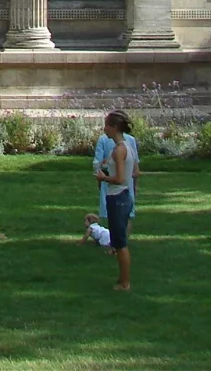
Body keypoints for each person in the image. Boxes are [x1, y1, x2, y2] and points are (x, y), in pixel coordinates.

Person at [94, 112, 134, 291]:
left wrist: (103, 177)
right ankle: (121, 278)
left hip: (118, 198)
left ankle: (125, 283)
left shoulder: (119, 149)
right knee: (118, 242)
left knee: (120, 243)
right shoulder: (124, 146)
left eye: (107, 125)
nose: (104, 129)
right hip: (121, 197)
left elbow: (119, 179)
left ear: (114, 127)